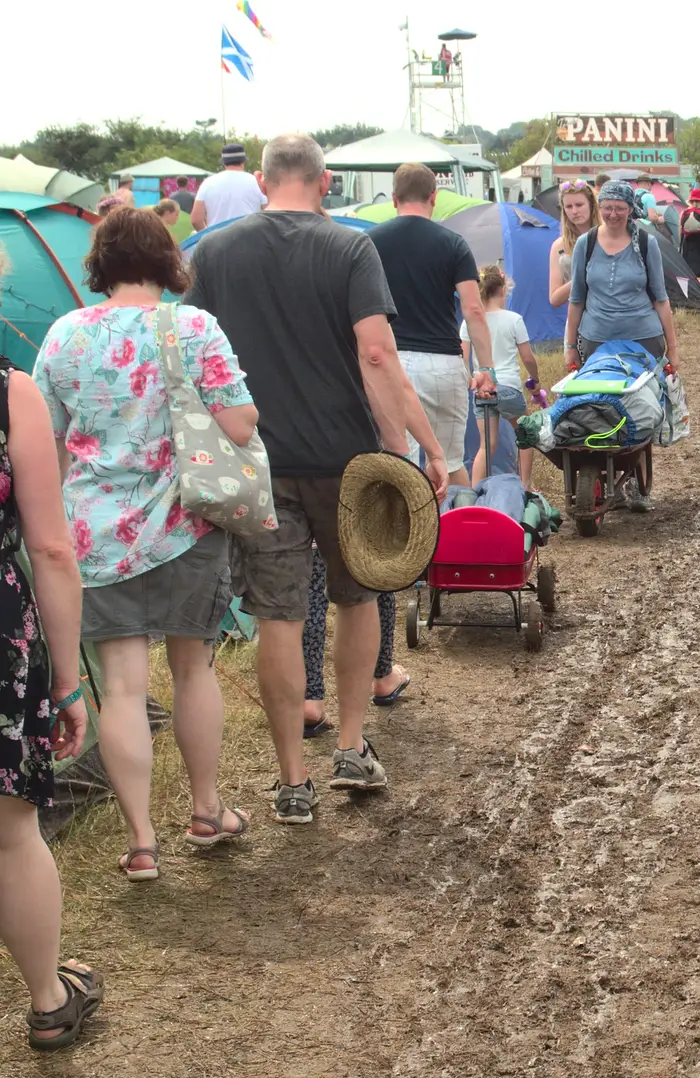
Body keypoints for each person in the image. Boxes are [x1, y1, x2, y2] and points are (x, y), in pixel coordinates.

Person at [186, 132, 449, 826]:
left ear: (264, 180)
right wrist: (414, 447)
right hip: (345, 461)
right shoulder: (350, 248)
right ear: (325, 180)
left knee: (278, 615)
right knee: (359, 596)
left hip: (256, 466)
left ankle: (292, 781)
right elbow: (376, 351)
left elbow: (195, 354)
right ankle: (353, 746)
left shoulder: (212, 252)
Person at [33, 205, 257, 880]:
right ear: (167, 260)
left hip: (96, 534)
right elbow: (241, 424)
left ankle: (140, 841)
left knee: (124, 689)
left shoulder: (65, 335)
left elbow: (47, 442)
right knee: (194, 669)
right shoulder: (193, 328)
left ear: (101, 262)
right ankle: (206, 809)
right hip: (187, 524)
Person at [0, 253, 97, 1051]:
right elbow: (52, 550)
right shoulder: (10, 393)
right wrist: (67, 680)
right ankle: (47, 998)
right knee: (9, 834)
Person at [367, 163, 496, 488]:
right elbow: (473, 310)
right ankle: (460, 532)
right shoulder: (453, 243)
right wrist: (487, 368)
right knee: (450, 461)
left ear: (394, 199)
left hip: (390, 361)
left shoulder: (368, 242)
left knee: (401, 465)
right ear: (433, 196)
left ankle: (407, 537)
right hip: (442, 363)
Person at [565, 180, 680, 513]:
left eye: (620, 208)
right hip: (596, 339)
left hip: (641, 337)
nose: (613, 214)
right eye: (607, 208)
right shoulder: (585, 245)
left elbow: (661, 299)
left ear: (631, 210)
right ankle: (600, 474)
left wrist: (673, 348)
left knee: (638, 405)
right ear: (599, 208)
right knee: (596, 403)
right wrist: (569, 346)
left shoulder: (645, 243)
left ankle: (637, 479)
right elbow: (576, 301)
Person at [462, 265, 539, 487]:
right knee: (525, 435)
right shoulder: (513, 319)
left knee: (487, 446)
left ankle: (475, 492)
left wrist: (471, 381)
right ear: (504, 290)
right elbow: (527, 358)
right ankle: (525, 486)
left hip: (483, 390)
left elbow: (463, 356)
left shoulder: (469, 322)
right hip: (508, 387)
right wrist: (535, 379)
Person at [191, 143, 265, 231]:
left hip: (217, 239)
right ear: (243, 161)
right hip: (249, 237)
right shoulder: (257, 182)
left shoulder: (207, 183)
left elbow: (196, 219)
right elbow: (270, 211)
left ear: (224, 162)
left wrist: (207, 235)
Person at [549, 180, 598, 308]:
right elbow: (554, 299)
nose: (574, 211)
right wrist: (579, 277)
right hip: (577, 315)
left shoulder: (606, 236)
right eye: (569, 207)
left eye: (579, 204)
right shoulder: (560, 246)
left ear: (591, 205)